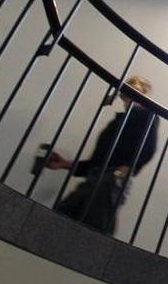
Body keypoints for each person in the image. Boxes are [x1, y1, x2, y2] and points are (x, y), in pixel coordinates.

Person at [43, 75, 158, 236]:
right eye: (129, 89)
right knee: (63, 213)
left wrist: (126, 169)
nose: (131, 93)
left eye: (136, 90)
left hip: (112, 177)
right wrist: (65, 164)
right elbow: (97, 161)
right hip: (97, 176)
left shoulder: (147, 115)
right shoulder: (116, 124)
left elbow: (148, 148)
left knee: (95, 226)